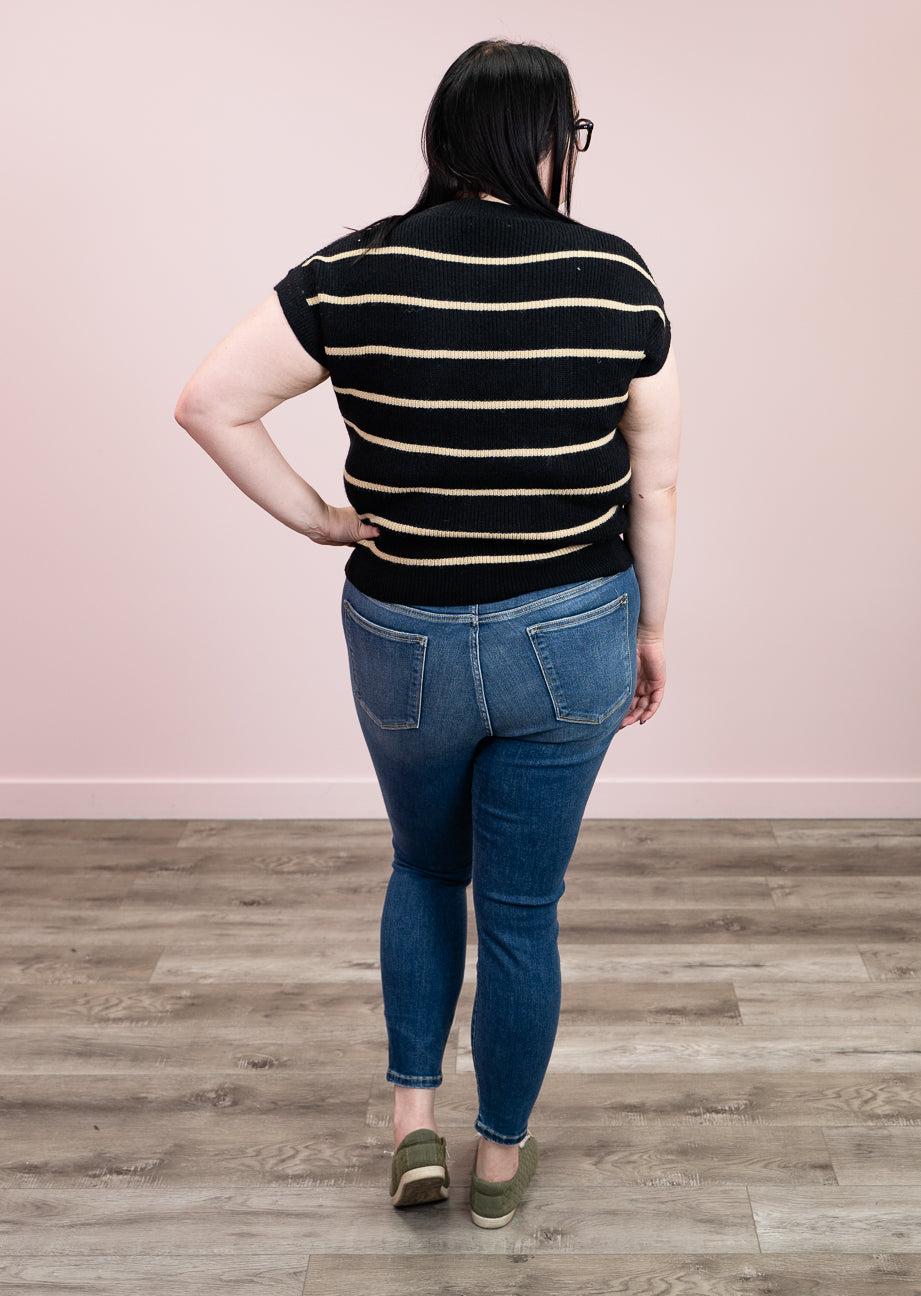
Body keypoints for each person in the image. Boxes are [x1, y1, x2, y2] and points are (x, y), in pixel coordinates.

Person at [174, 37, 681, 1229]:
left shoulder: (355, 269)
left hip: (406, 633)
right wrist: (653, 629)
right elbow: (654, 485)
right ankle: (499, 1162)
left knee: (423, 865)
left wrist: (319, 520)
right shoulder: (615, 276)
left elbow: (208, 403)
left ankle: (413, 1125)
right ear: (545, 141)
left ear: (445, 138)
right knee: (522, 907)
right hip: (575, 627)